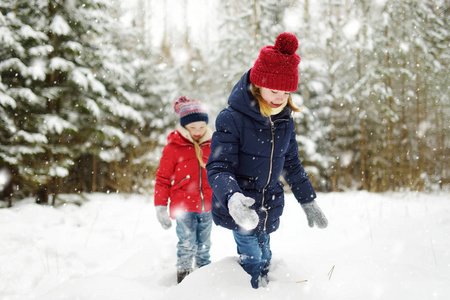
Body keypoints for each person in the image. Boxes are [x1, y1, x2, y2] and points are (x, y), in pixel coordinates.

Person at [206, 32, 328, 289]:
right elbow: (218, 167)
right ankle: (248, 292)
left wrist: (308, 199)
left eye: (286, 92)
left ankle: (267, 290)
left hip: (269, 204)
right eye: (273, 90)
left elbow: (291, 164)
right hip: (243, 204)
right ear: (258, 84)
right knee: (252, 261)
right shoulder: (232, 118)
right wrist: (232, 197)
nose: (279, 98)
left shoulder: (284, 121)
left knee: (266, 257)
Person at [154, 96, 213, 284]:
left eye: (201, 127)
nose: (197, 132)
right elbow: (163, 179)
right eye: (192, 127)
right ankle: (184, 278)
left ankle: (204, 276)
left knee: (204, 245)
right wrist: (160, 206)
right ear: (184, 127)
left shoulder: (213, 145)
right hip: (183, 206)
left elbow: (222, 172)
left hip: (208, 205)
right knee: (187, 243)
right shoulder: (174, 148)